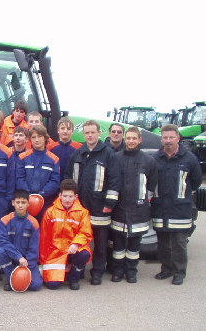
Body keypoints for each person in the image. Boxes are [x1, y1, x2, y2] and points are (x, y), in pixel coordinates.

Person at [65, 120, 120, 285]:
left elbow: (115, 181)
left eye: (92, 132)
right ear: (84, 134)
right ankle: (79, 269)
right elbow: (68, 179)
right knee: (78, 241)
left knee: (100, 244)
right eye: (87, 133)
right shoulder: (77, 154)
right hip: (80, 207)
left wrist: (109, 203)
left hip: (100, 207)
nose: (89, 135)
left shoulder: (109, 155)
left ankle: (97, 272)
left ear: (99, 133)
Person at [151, 124, 202, 285]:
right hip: (160, 207)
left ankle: (179, 272)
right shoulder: (155, 158)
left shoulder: (189, 158)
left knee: (179, 243)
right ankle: (166, 268)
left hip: (180, 208)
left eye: (171, 137)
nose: (168, 140)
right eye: (165, 137)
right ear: (161, 139)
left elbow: (196, 181)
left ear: (178, 137)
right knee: (163, 242)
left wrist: (182, 196)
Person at [111, 126, 157, 284]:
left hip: (138, 210)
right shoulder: (116, 158)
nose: (131, 141)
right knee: (117, 246)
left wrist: (143, 200)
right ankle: (117, 271)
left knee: (134, 246)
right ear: (125, 138)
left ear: (140, 140)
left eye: (134, 138)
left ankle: (131, 272)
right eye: (128, 138)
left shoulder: (149, 160)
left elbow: (151, 185)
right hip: (119, 209)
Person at [40, 179, 93, 290]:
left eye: (70, 196)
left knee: (84, 254)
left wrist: (76, 244)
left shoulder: (83, 212)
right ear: (60, 195)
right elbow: (44, 237)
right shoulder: (50, 212)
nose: (67, 199)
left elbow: (86, 232)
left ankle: (74, 277)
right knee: (52, 285)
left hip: (73, 249)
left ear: (76, 196)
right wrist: (43, 260)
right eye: (65, 196)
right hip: (55, 251)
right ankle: (63, 273)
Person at [0, 189, 43, 291]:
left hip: (27, 262)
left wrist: (27, 267)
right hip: (12, 258)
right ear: (13, 203)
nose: (20, 205)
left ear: (28, 204)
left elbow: (34, 248)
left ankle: (27, 275)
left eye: (23, 202)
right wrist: (18, 257)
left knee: (35, 286)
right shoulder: (5, 220)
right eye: (18, 202)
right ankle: (12, 277)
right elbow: (2, 241)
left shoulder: (33, 223)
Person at [16, 125, 60, 222]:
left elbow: (54, 182)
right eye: (34, 137)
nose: (37, 140)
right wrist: (29, 196)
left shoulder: (54, 159)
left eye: (39, 136)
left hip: (46, 202)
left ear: (45, 138)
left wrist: (41, 196)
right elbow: (19, 179)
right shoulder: (23, 157)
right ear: (30, 139)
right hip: (25, 202)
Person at [48, 116, 82, 183]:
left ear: (73, 131)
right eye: (63, 128)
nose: (65, 131)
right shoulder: (51, 147)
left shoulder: (79, 148)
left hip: (72, 184)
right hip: (55, 183)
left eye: (68, 129)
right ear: (58, 130)